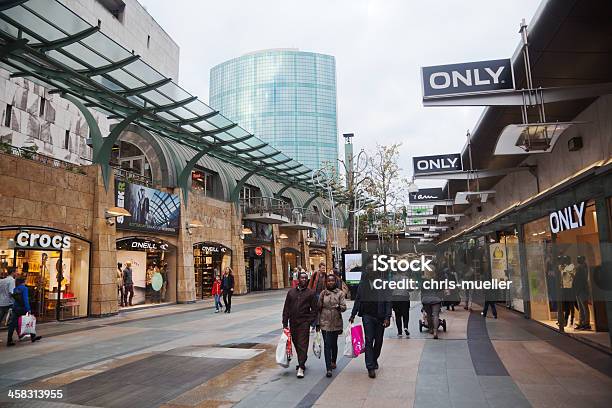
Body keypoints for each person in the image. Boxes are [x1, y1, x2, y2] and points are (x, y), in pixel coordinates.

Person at [349, 268, 391, 378]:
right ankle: (370, 367)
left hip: (380, 316)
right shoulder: (363, 285)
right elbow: (357, 300)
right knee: (368, 340)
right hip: (367, 316)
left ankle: (374, 358)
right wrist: (353, 315)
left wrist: (387, 317)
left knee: (379, 340)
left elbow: (388, 301)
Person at [282, 271, 318, 378]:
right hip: (293, 322)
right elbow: (286, 308)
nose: (304, 280)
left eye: (305, 278)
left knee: (303, 343)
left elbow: (315, 309)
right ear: (298, 279)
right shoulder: (291, 292)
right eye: (302, 278)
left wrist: (310, 320)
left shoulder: (310, 293)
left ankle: (301, 366)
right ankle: (302, 359)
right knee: (296, 342)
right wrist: (285, 322)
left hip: (304, 322)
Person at [318, 274, 346, 377]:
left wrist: (339, 307)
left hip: (336, 321)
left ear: (335, 282)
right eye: (328, 281)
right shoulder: (323, 293)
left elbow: (344, 307)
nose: (330, 282)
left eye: (332, 281)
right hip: (324, 321)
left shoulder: (340, 293)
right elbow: (318, 308)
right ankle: (328, 367)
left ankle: (333, 361)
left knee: (334, 343)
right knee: (327, 344)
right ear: (326, 282)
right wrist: (317, 323)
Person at [7, 278, 42, 346]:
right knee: (30, 320)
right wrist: (28, 308)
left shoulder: (15, 289)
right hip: (22, 308)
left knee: (12, 324)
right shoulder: (24, 288)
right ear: (23, 282)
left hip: (16, 308)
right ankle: (33, 336)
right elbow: (25, 299)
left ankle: (9, 340)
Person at [573, 256, 590, 330]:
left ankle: (586, 323)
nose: (578, 260)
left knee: (584, 307)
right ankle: (582, 322)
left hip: (582, 290)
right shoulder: (580, 267)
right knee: (581, 308)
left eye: (579, 259)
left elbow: (582, 280)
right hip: (579, 290)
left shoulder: (583, 268)